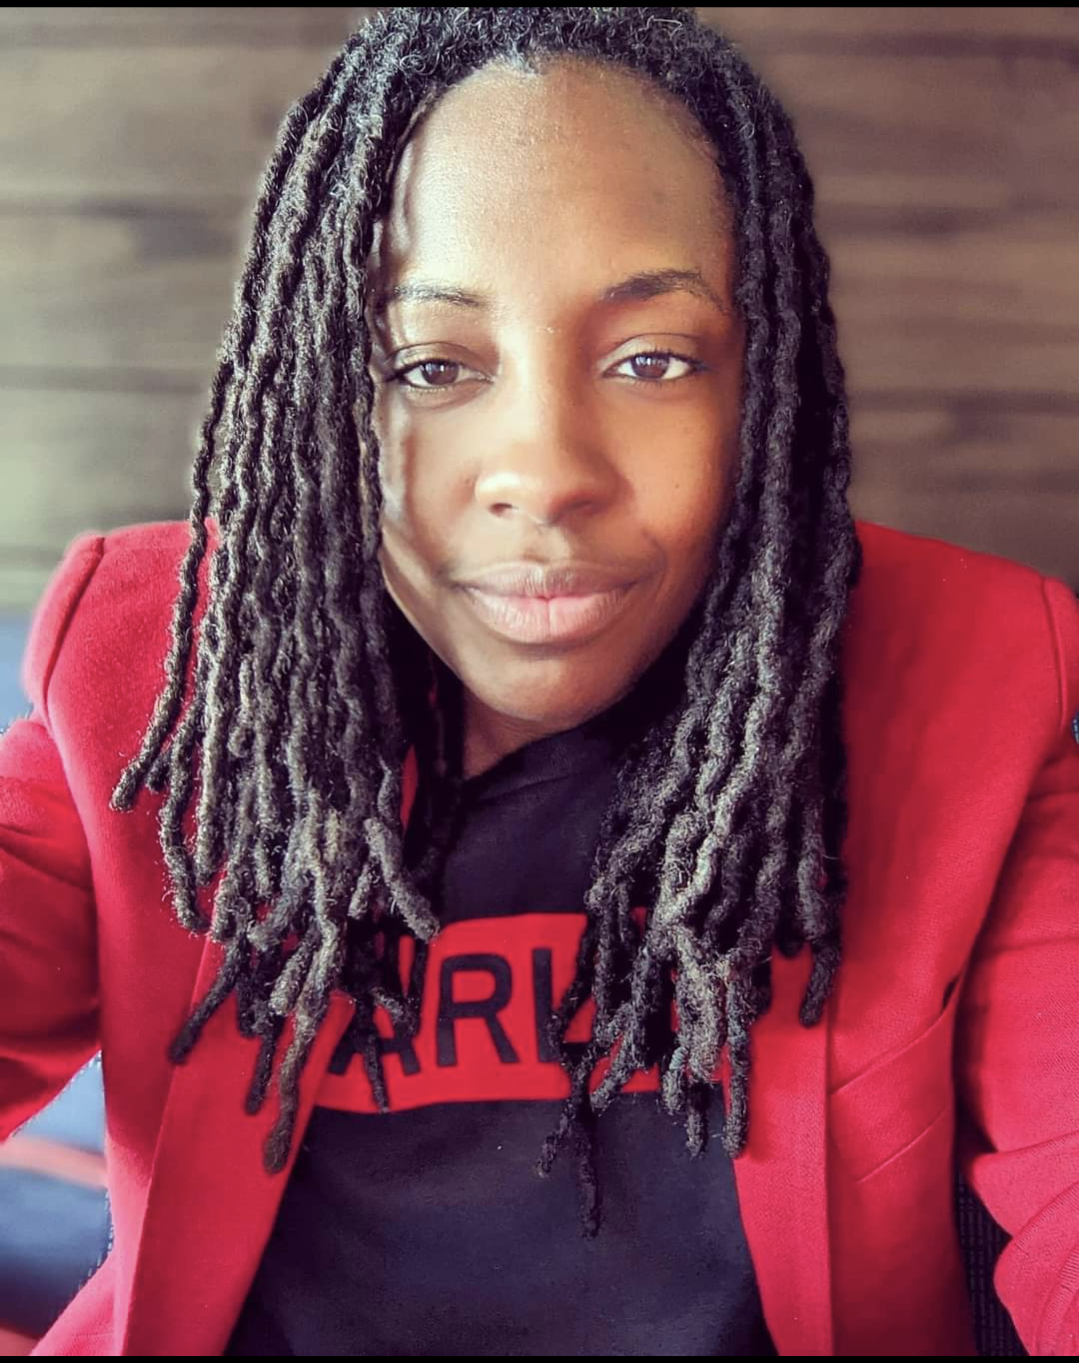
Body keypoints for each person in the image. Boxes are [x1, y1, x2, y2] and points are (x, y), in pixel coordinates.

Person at [1, 6, 1076, 1356]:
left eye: (652, 360)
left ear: (761, 387)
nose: (547, 471)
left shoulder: (976, 686)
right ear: (332, 393)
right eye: (431, 365)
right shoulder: (162, 686)